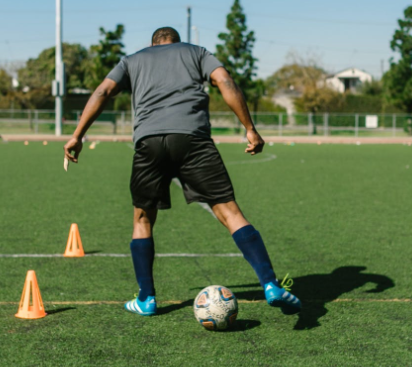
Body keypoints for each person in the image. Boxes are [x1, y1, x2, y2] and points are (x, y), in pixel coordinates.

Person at [63, 27, 301, 316]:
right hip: (194, 140)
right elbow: (224, 80)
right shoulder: (197, 52)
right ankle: (270, 285)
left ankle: (146, 299)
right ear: (176, 42)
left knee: (142, 218)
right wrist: (249, 128)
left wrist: (78, 135)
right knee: (230, 212)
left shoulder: (133, 59)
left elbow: (103, 90)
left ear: (153, 44)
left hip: (149, 142)